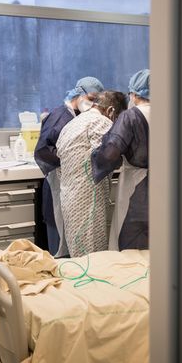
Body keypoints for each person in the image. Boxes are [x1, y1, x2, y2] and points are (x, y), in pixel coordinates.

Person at [34, 76, 104, 257]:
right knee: (59, 249)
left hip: (72, 185)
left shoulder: (78, 117)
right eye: (91, 98)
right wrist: (68, 160)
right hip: (58, 183)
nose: (94, 103)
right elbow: (42, 150)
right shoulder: (60, 116)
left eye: (98, 100)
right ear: (79, 94)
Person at [56, 91, 127, 257]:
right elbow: (108, 156)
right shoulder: (100, 121)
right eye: (118, 117)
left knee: (77, 250)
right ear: (110, 111)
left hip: (69, 195)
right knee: (93, 253)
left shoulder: (74, 123)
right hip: (88, 197)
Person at [92, 69, 150, 251]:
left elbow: (110, 153)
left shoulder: (130, 116)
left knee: (128, 246)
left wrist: (96, 157)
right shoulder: (173, 115)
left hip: (136, 188)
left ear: (134, 93)